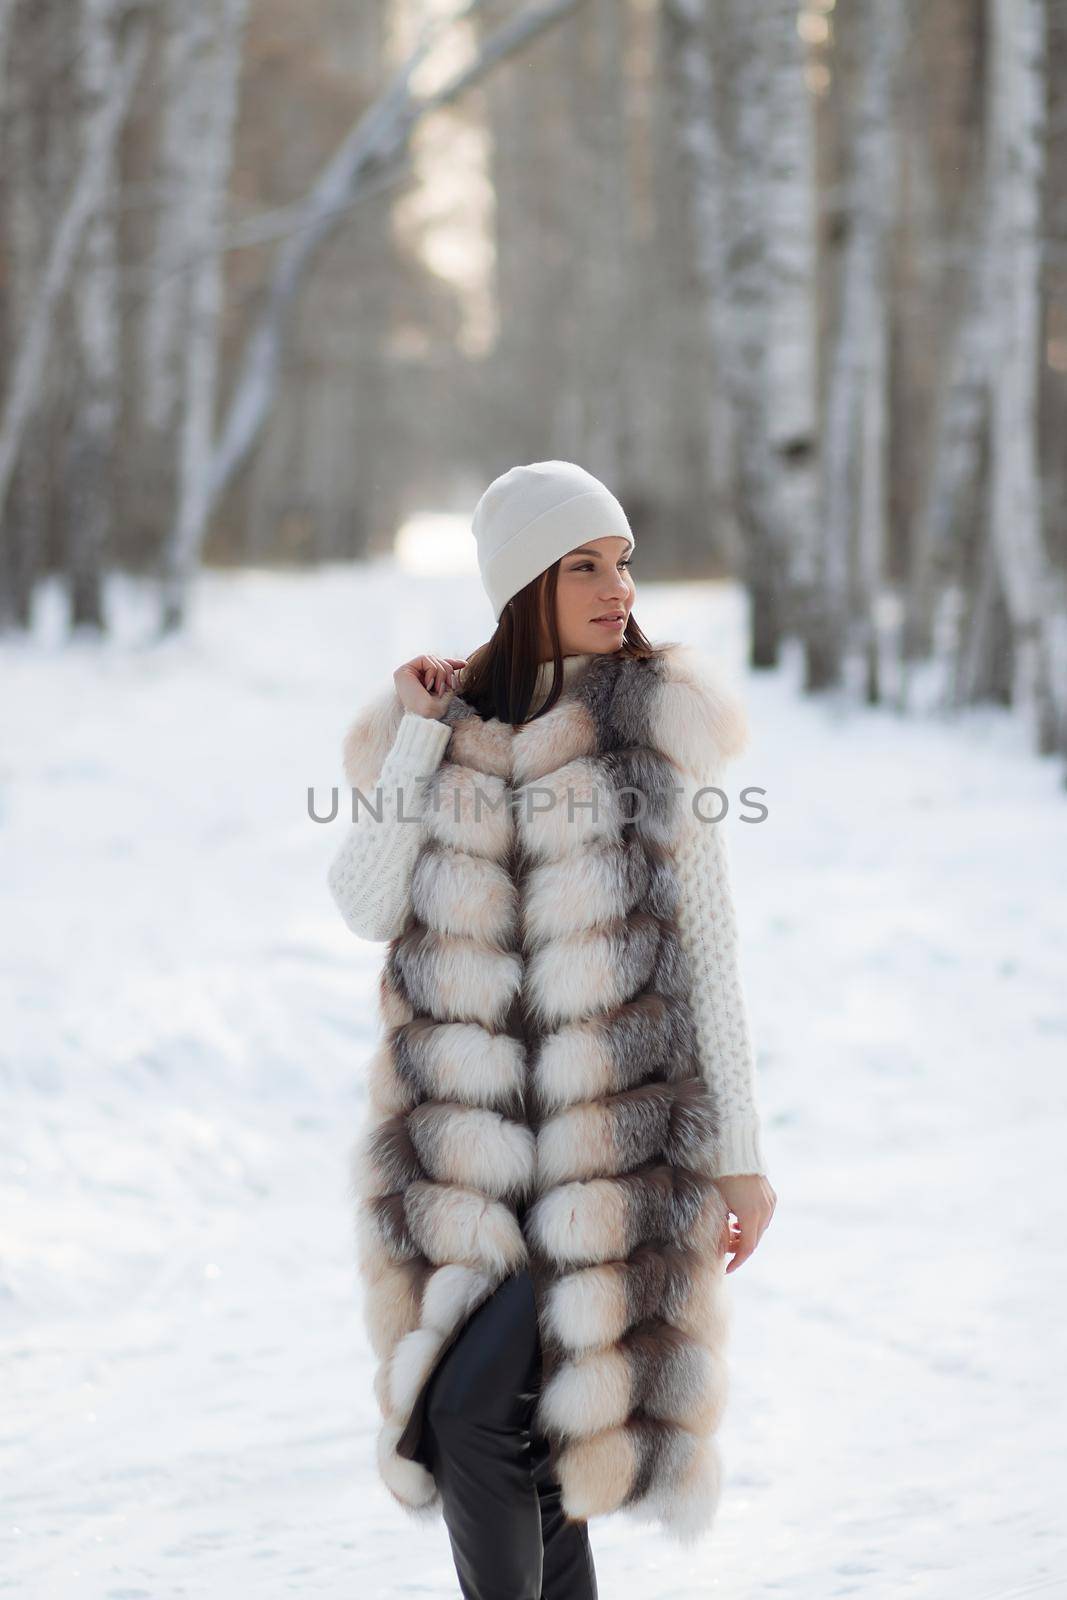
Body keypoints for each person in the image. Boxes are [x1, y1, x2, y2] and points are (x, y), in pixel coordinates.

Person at [327, 460, 777, 1600]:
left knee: (476, 1414)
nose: (617, 585)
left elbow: (708, 957)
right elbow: (365, 903)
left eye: (621, 560)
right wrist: (424, 737)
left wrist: (741, 1160)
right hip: (466, 1165)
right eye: (584, 563)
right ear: (524, 580)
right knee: (498, 1431)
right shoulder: (434, 721)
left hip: (612, 1154)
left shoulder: (649, 723)